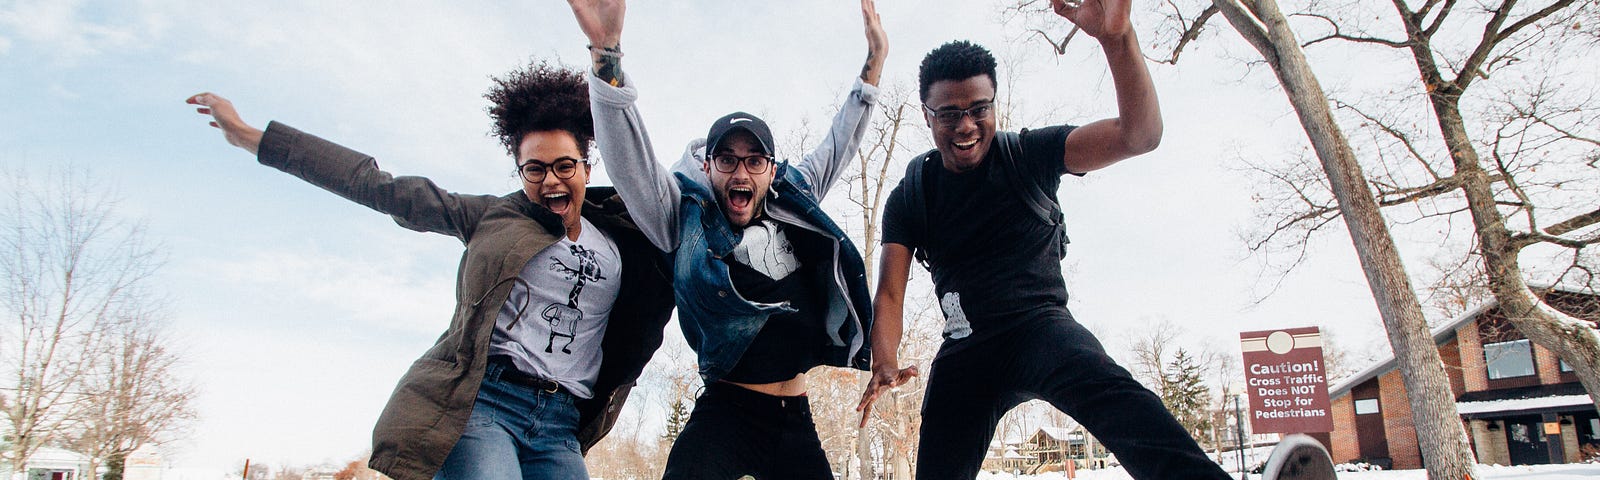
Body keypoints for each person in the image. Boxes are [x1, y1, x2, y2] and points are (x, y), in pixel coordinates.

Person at [185, 61, 675, 480]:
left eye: (565, 166)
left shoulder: (622, 240)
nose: (551, 180)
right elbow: (376, 186)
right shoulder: (491, 217)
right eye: (534, 168)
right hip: (483, 407)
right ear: (520, 172)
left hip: (560, 424)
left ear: (587, 168)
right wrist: (252, 137)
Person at [856, 0, 1237, 479]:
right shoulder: (912, 196)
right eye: (949, 114)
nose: (967, 126)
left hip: (1041, 330)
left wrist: (1117, 41)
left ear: (994, 103)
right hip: (966, 349)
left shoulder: (1027, 155)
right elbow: (890, 293)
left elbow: (1139, 135)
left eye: (979, 109)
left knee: (1124, 403)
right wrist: (884, 359)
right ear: (927, 115)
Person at [564, 0, 885, 477]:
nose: (742, 171)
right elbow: (631, 164)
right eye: (728, 159)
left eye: (755, 160)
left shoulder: (794, 194)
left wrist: (873, 65)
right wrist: (606, 60)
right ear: (708, 167)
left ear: (771, 170)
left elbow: (840, 143)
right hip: (727, 412)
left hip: (795, 419)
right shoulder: (683, 216)